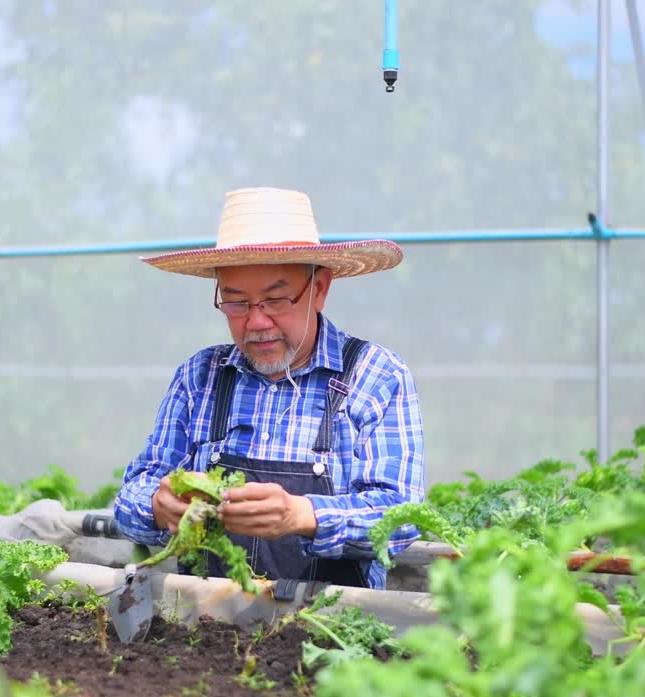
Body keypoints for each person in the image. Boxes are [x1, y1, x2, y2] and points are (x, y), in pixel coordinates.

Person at [113, 187, 424, 589]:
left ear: (320, 289)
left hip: (333, 631)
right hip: (205, 627)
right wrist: (157, 507)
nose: (256, 322)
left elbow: (402, 519)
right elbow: (131, 495)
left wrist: (302, 516)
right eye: (236, 302)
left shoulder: (376, 376)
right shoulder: (201, 376)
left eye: (276, 300)